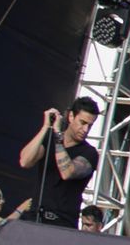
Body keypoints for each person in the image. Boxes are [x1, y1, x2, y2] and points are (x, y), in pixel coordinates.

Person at [17, 97, 100, 228]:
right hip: (36, 216)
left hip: (62, 223)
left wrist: (57, 134)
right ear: (71, 116)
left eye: (90, 125)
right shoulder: (49, 140)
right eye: (82, 122)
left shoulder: (90, 153)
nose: (85, 129)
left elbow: (67, 172)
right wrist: (46, 127)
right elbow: (25, 161)